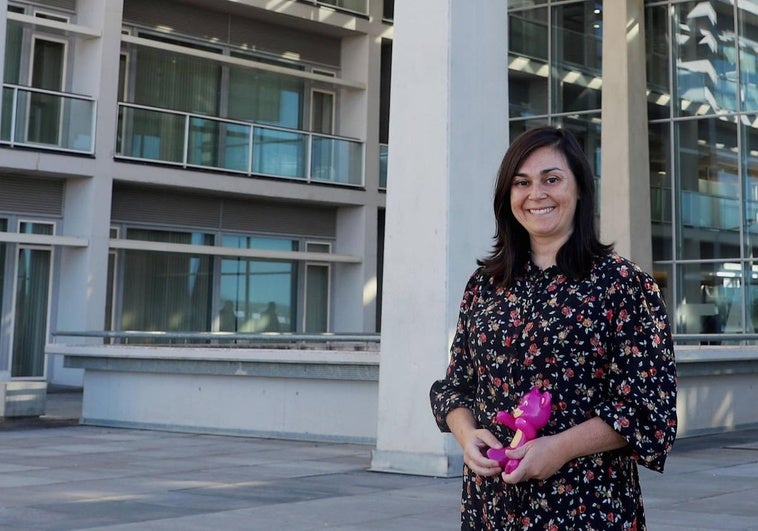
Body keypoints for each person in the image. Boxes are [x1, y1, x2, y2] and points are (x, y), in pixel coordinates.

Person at [430, 126, 677, 530]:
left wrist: (559, 448)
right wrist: (466, 434)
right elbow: (456, 385)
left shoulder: (625, 285)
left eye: (552, 179)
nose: (536, 194)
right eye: (521, 183)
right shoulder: (484, 285)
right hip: (492, 508)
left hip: (588, 506)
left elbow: (649, 411)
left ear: (579, 188)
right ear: (507, 197)